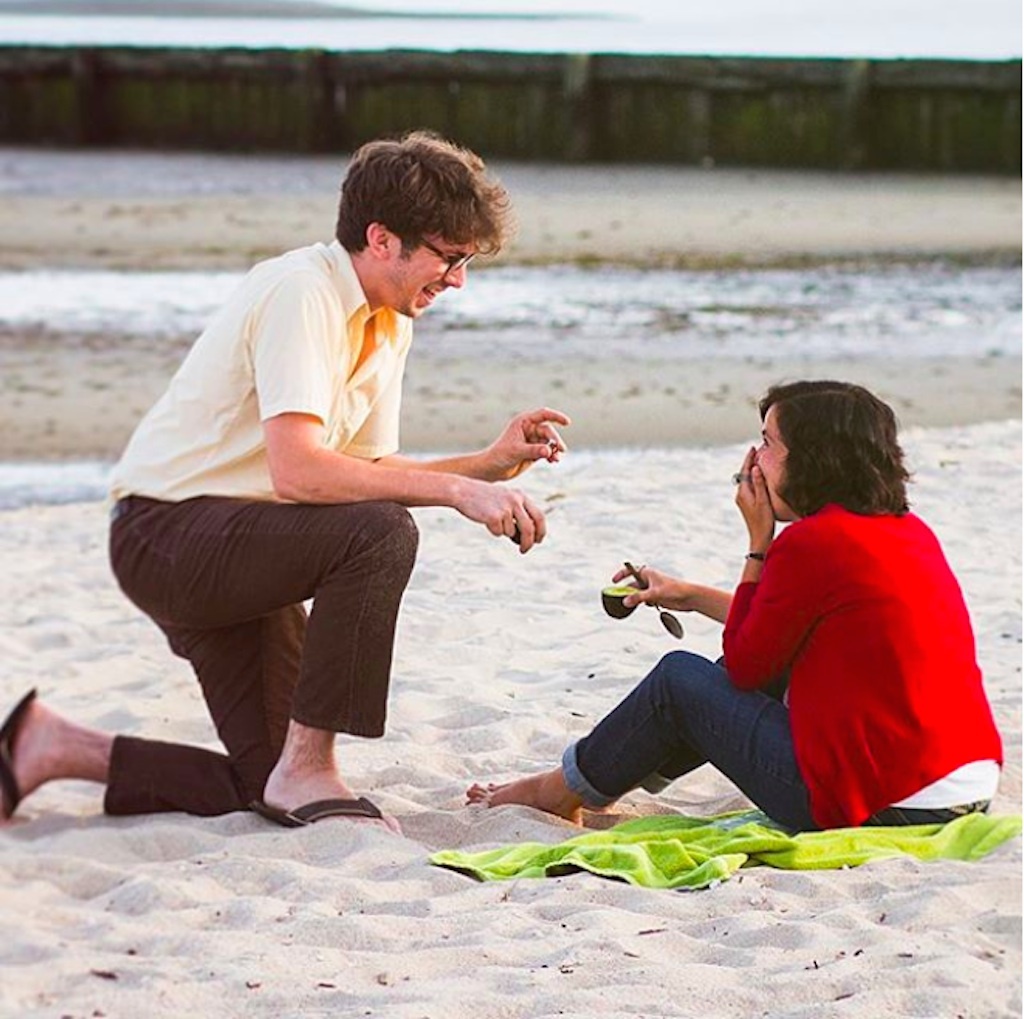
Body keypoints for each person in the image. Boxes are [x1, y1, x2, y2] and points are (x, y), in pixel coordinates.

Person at [0, 130, 569, 832]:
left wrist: (483, 465)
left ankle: (53, 745)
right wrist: (457, 494)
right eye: (450, 258)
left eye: (466, 262)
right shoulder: (301, 291)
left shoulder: (388, 321)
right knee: (381, 533)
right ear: (381, 239)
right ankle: (310, 765)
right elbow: (299, 471)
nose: (458, 280)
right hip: (166, 533)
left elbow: (366, 471)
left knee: (262, 784)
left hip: (246, 537)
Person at [468, 380, 1003, 831]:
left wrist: (758, 543)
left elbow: (749, 666)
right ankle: (605, 775)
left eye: (767, 443)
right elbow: (785, 626)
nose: (753, 460)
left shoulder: (811, 543)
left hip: (887, 805)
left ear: (813, 460)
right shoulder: (904, 530)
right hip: (964, 787)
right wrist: (687, 595)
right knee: (726, 674)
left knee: (680, 680)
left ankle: (559, 790)